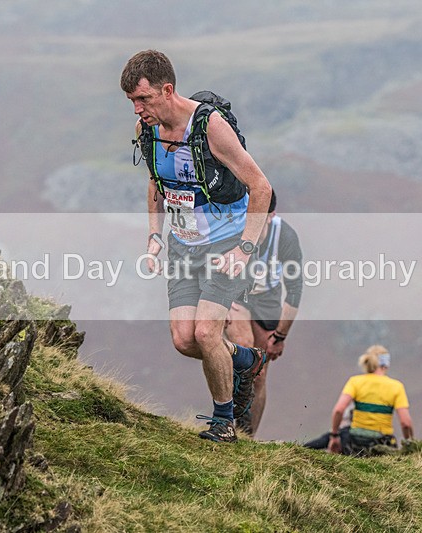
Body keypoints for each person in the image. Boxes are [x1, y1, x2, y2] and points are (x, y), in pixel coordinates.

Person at [121, 50, 273, 443]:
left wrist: (244, 248)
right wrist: (154, 236)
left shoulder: (209, 127)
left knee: (206, 333)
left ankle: (224, 423)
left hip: (225, 244)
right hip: (182, 246)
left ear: (166, 90)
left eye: (143, 99)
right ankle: (247, 359)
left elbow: (261, 187)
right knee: (184, 340)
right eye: (132, 101)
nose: (137, 109)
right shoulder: (147, 130)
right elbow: (156, 183)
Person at [224, 189, 303, 436]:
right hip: (236, 295)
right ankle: (228, 421)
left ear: (271, 215)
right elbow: (209, 262)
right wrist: (219, 302)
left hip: (267, 298)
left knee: (259, 372)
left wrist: (280, 336)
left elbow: (294, 289)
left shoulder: (285, 236)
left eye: (259, 218)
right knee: (244, 351)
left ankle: (247, 436)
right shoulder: (233, 227)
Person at [327, 345, 413, 455]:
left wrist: (334, 436)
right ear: (386, 364)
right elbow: (406, 423)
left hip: (355, 441)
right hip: (383, 442)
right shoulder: (396, 387)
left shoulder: (355, 382)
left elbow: (339, 410)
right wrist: (409, 444)